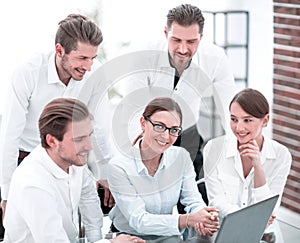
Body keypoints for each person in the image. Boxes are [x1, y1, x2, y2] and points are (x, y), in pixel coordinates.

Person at [0, 13, 112, 220]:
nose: (88, 67)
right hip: (22, 161)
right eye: (82, 58)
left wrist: (105, 175)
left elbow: (101, 128)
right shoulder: (28, 72)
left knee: (63, 227)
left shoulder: (94, 76)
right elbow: (9, 135)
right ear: (60, 50)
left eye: (92, 58)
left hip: (65, 162)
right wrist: (7, 194)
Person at [107, 3, 236, 181]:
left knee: (197, 196)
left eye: (191, 42)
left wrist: (235, 155)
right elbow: (130, 109)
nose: (183, 49)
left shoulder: (216, 58)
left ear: (201, 37)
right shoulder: (144, 56)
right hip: (148, 133)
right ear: (166, 34)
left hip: (187, 132)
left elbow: (230, 110)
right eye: (176, 40)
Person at [3, 98, 145, 243]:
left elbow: (89, 198)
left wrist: (95, 239)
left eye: (89, 136)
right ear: (52, 141)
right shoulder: (33, 183)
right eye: (79, 139)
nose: (89, 146)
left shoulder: (73, 159)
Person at [108, 97, 219, 242]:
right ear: (143, 123)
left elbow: (193, 200)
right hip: (128, 238)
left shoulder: (181, 157)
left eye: (173, 130)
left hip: (167, 236)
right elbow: (139, 221)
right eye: (159, 126)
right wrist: (188, 220)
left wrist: (204, 217)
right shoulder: (119, 166)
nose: (166, 136)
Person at [203, 88, 292, 243]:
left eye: (247, 120)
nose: (239, 128)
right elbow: (216, 201)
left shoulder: (281, 155)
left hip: (266, 237)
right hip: (225, 234)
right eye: (234, 119)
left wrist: (258, 167)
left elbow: (270, 209)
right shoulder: (213, 149)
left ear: (265, 121)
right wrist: (250, 218)